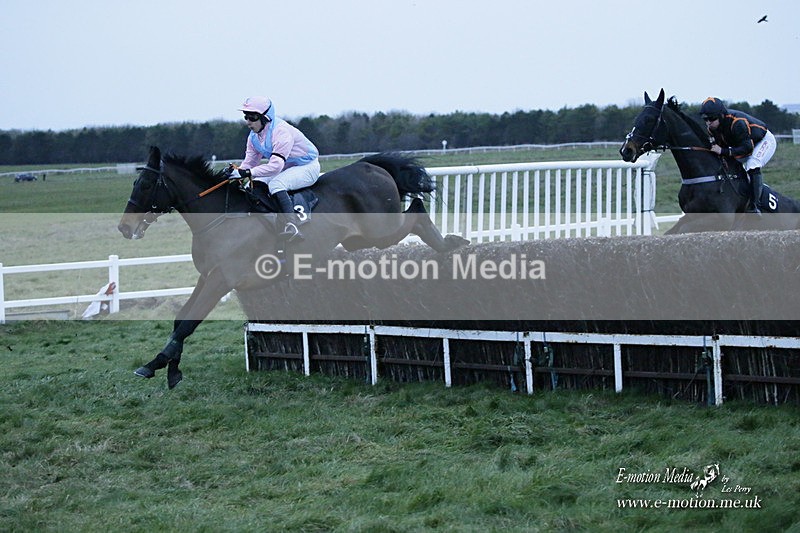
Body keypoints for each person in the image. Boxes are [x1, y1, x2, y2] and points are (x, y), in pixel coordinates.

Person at [225, 96, 320, 241]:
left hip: (307, 167)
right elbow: (249, 163)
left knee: (276, 184)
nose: (248, 122)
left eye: (253, 117)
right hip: (287, 167)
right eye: (246, 117)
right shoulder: (253, 137)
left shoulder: (281, 132)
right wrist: (236, 172)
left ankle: (292, 225)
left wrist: (248, 172)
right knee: (251, 186)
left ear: (265, 117)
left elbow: (276, 166)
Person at [699, 97, 776, 214]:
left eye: (712, 118)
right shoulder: (712, 129)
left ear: (721, 115)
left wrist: (723, 152)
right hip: (743, 144)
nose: (708, 122)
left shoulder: (737, 123)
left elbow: (747, 148)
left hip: (762, 141)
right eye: (705, 119)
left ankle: (755, 206)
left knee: (752, 164)